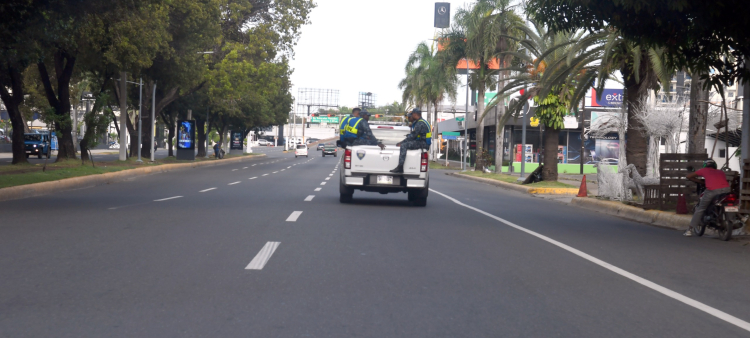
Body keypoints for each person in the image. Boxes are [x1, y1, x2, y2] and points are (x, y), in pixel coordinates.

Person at [685, 159, 730, 236]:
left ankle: (690, 230)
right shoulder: (720, 172)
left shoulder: (704, 170)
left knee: (701, 208)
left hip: (712, 190)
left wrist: (700, 181)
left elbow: (688, 176)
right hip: (726, 190)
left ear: (705, 165)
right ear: (715, 165)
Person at [390, 108, 431, 173]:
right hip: (424, 142)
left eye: (412, 115)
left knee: (404, 145)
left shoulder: (420, 123)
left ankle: (400, 167)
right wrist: (412, 125)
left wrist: (402, 142)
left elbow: (412, 136)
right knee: (406, 143)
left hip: (422, 143)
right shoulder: (422, 121)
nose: (411, 116)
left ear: (415, 114)